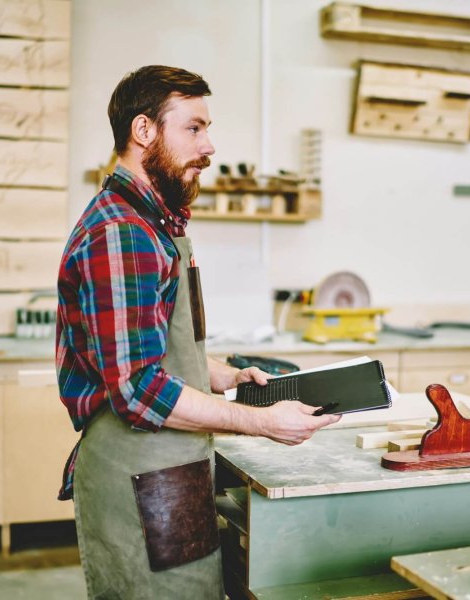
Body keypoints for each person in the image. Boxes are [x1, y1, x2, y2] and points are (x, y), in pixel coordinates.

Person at [56, 65, 341, 600]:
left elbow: (155, 347)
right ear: (144, 131)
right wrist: (260, 422)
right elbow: (138, 389)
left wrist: (224, 375)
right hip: (140, 475)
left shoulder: (152, 224)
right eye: (193, 128)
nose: (208, 146)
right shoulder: (122, 233)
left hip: (167, 468)